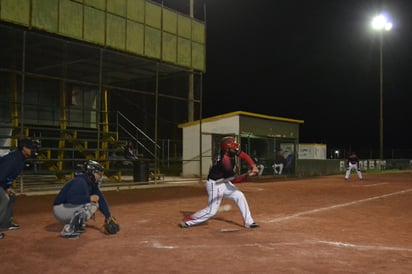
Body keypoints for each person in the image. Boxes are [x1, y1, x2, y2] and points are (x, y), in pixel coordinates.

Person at [180, 136, 260, 229]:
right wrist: (246, 176)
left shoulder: (229, 152)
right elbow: (234, 180)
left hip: (223, 181)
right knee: (211, 211)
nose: (236, 149)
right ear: (228, 149)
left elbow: (243, 155)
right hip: (215, 184)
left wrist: (253, 165)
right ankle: (188, 220)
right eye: (234, 147)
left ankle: (248, 222)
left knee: (239, 196)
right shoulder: (224, 161)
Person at [53, 160, 116, 239]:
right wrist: (88, 198)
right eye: (98, 173)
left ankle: (76, 225)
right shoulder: (80, 181)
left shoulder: (90, 183)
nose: (100, 176)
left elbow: (100, 199)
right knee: (90, 204)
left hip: (67, 207)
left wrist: (108, 216)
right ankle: (69, 230)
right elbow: (71, 198)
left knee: (94, 202)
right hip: (61, 209)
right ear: (91, 172)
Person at [0, 138, 39, 239]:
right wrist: (4, 188)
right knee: (4, 199)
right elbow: (1, 175)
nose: (34, 150)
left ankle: (5, 223)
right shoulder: (14, 158)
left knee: (11, 196)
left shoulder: (20, 157)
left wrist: (7, 188)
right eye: (31, 148)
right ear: (24, 148)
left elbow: (6, 176)